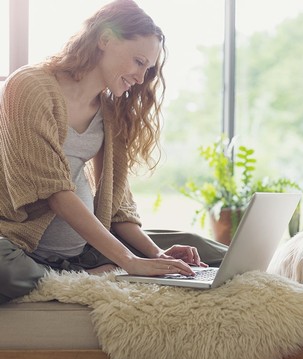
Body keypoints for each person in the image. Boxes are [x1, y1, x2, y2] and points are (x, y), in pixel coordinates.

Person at [0, 0, 227, 304]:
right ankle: (65, 276)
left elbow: (117, 204)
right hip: (22, 244)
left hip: (85, 251)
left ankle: (90, 268)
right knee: (7, 270)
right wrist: (129, 261)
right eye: (138, 61)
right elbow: (55, 191)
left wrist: (154, 254)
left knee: (200, 247)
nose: (141, 77)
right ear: (104, 39)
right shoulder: (29, 86)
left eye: (148, 69)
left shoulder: (111, 109)